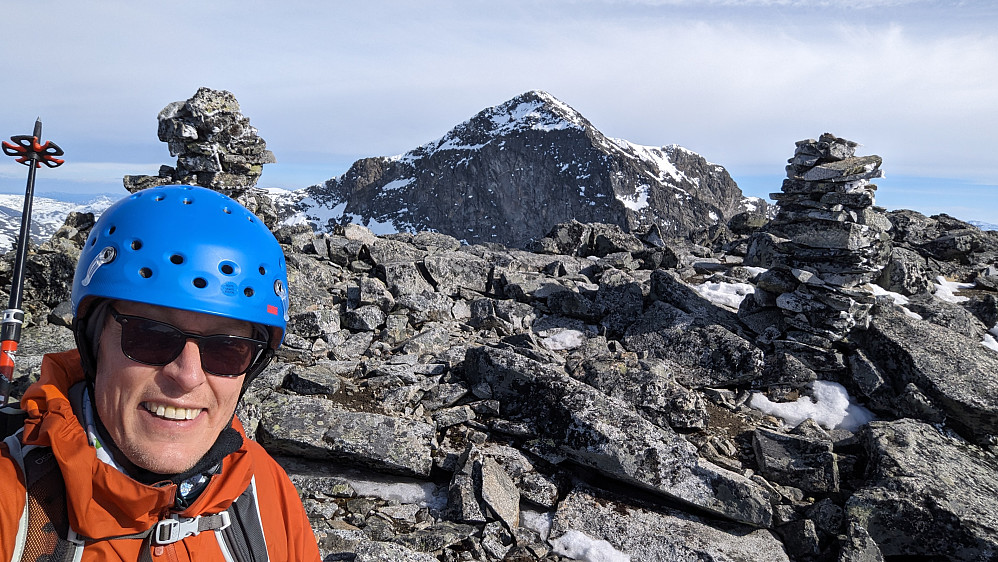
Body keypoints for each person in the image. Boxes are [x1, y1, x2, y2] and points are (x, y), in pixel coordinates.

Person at [0, 185, 321, 561]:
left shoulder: (262, 490)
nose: (188, 376)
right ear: (92, 342)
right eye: (150, 336)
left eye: (227, 349)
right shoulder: (11, 497)